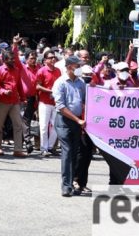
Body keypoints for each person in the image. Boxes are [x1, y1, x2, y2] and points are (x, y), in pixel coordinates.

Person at [54, 55, 86, 197]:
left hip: (77, 122)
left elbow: (85, 101)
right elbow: (61, 107)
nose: (79, 68)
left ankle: (71, 183)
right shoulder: (60, 83)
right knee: (67, 152)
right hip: (64, 121)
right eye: (77, 66)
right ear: (69, 67)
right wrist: (77, 120)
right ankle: (66, 186)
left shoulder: (81, 83)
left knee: (74, 153)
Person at [0, 35, 28, 157]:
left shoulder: (16, 70)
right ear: (5, 60)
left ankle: (17, 149)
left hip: (15, 101)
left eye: (13, 59)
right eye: (11, 59)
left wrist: (23, 98)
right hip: (2, 101)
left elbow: (19, 86)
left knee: (18, 125)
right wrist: (3, 91)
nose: (13, 61)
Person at [36, 50, 61, 156]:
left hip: (55, 102)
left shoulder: (58, 71)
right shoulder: (41, 71)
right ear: (45, 60)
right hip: (44, 102)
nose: (53, 59)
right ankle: (44, 148)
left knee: (55, 126)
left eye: (54, 57)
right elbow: (37, 86)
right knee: (44, 126)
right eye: (50, 58)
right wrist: (50, 91)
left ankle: (50, 147)